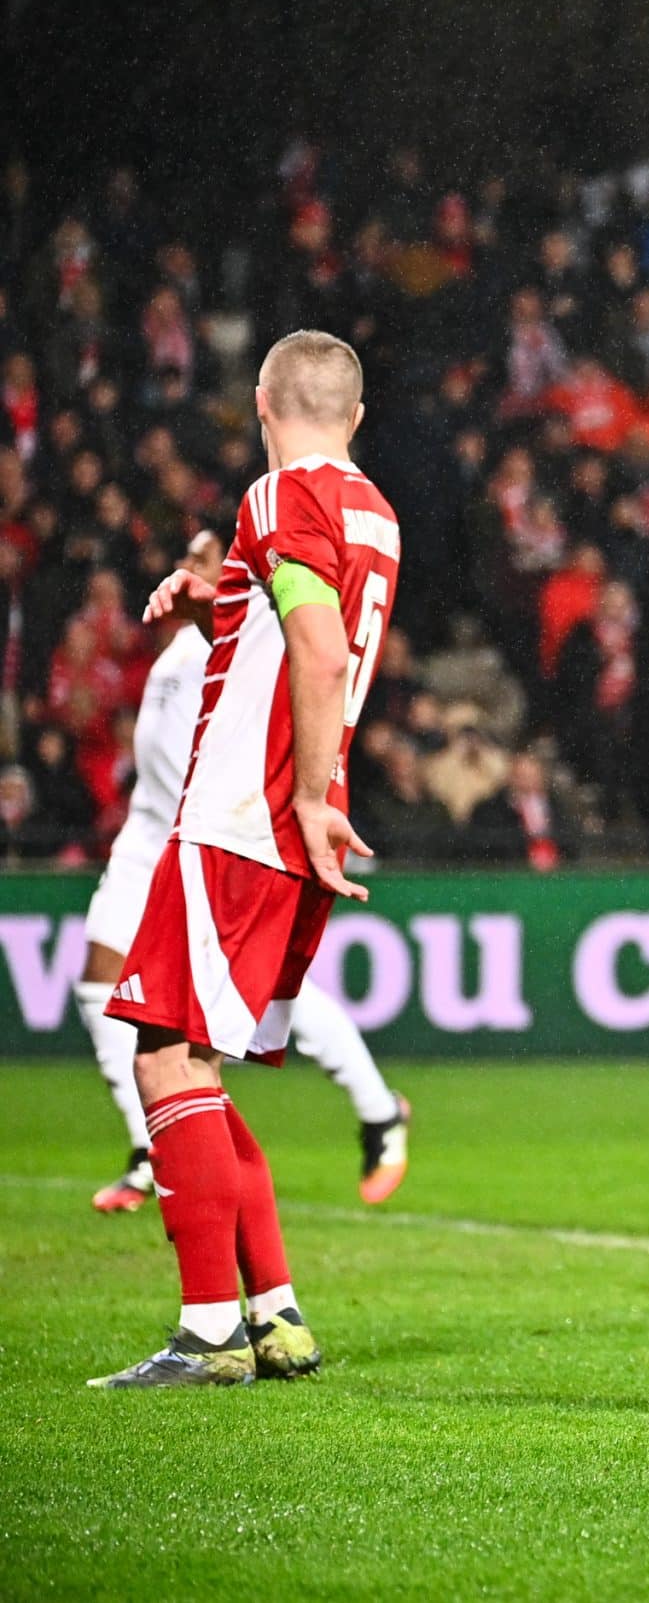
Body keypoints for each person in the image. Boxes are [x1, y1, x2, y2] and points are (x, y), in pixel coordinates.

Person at [91, 330, 403, 1388]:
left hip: (245, 816)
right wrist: (211, 607)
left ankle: (208, 1330)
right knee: (200, 1074)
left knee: (162, 1056)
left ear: (262, 402)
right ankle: (272, 1313)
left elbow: (314, 649)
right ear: (356, 414)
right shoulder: (375, 513)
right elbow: (297, 627)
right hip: (291, 823)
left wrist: (306, 798)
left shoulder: (278, 498)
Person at [76, 531, 412, 1216]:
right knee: (100, 982)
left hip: (207, 837)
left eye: (204, 557)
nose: (187, 566)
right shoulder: (178, 647)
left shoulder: (246, 645)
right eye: (187, 555)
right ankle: (149, 1148)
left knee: (255, 1005)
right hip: (149, 836)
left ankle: (380, 1108)